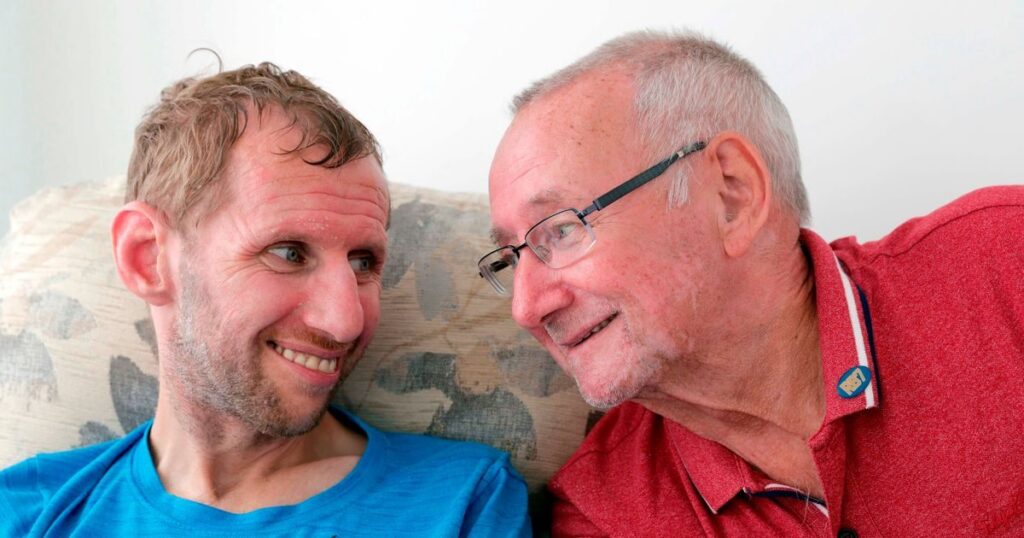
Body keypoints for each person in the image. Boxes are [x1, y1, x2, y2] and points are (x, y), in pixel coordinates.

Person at [481, 29, 1024, 536]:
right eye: (509, 260)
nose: (526, 308)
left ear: (732, 196)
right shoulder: (605, 512)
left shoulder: (1003, 265)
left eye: (561, 230)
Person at [0, 62, 529, 537]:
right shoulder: (28, 510)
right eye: (288, 253)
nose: (345, 322)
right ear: (147, 259)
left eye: (363, 262)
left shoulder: (462, 503)